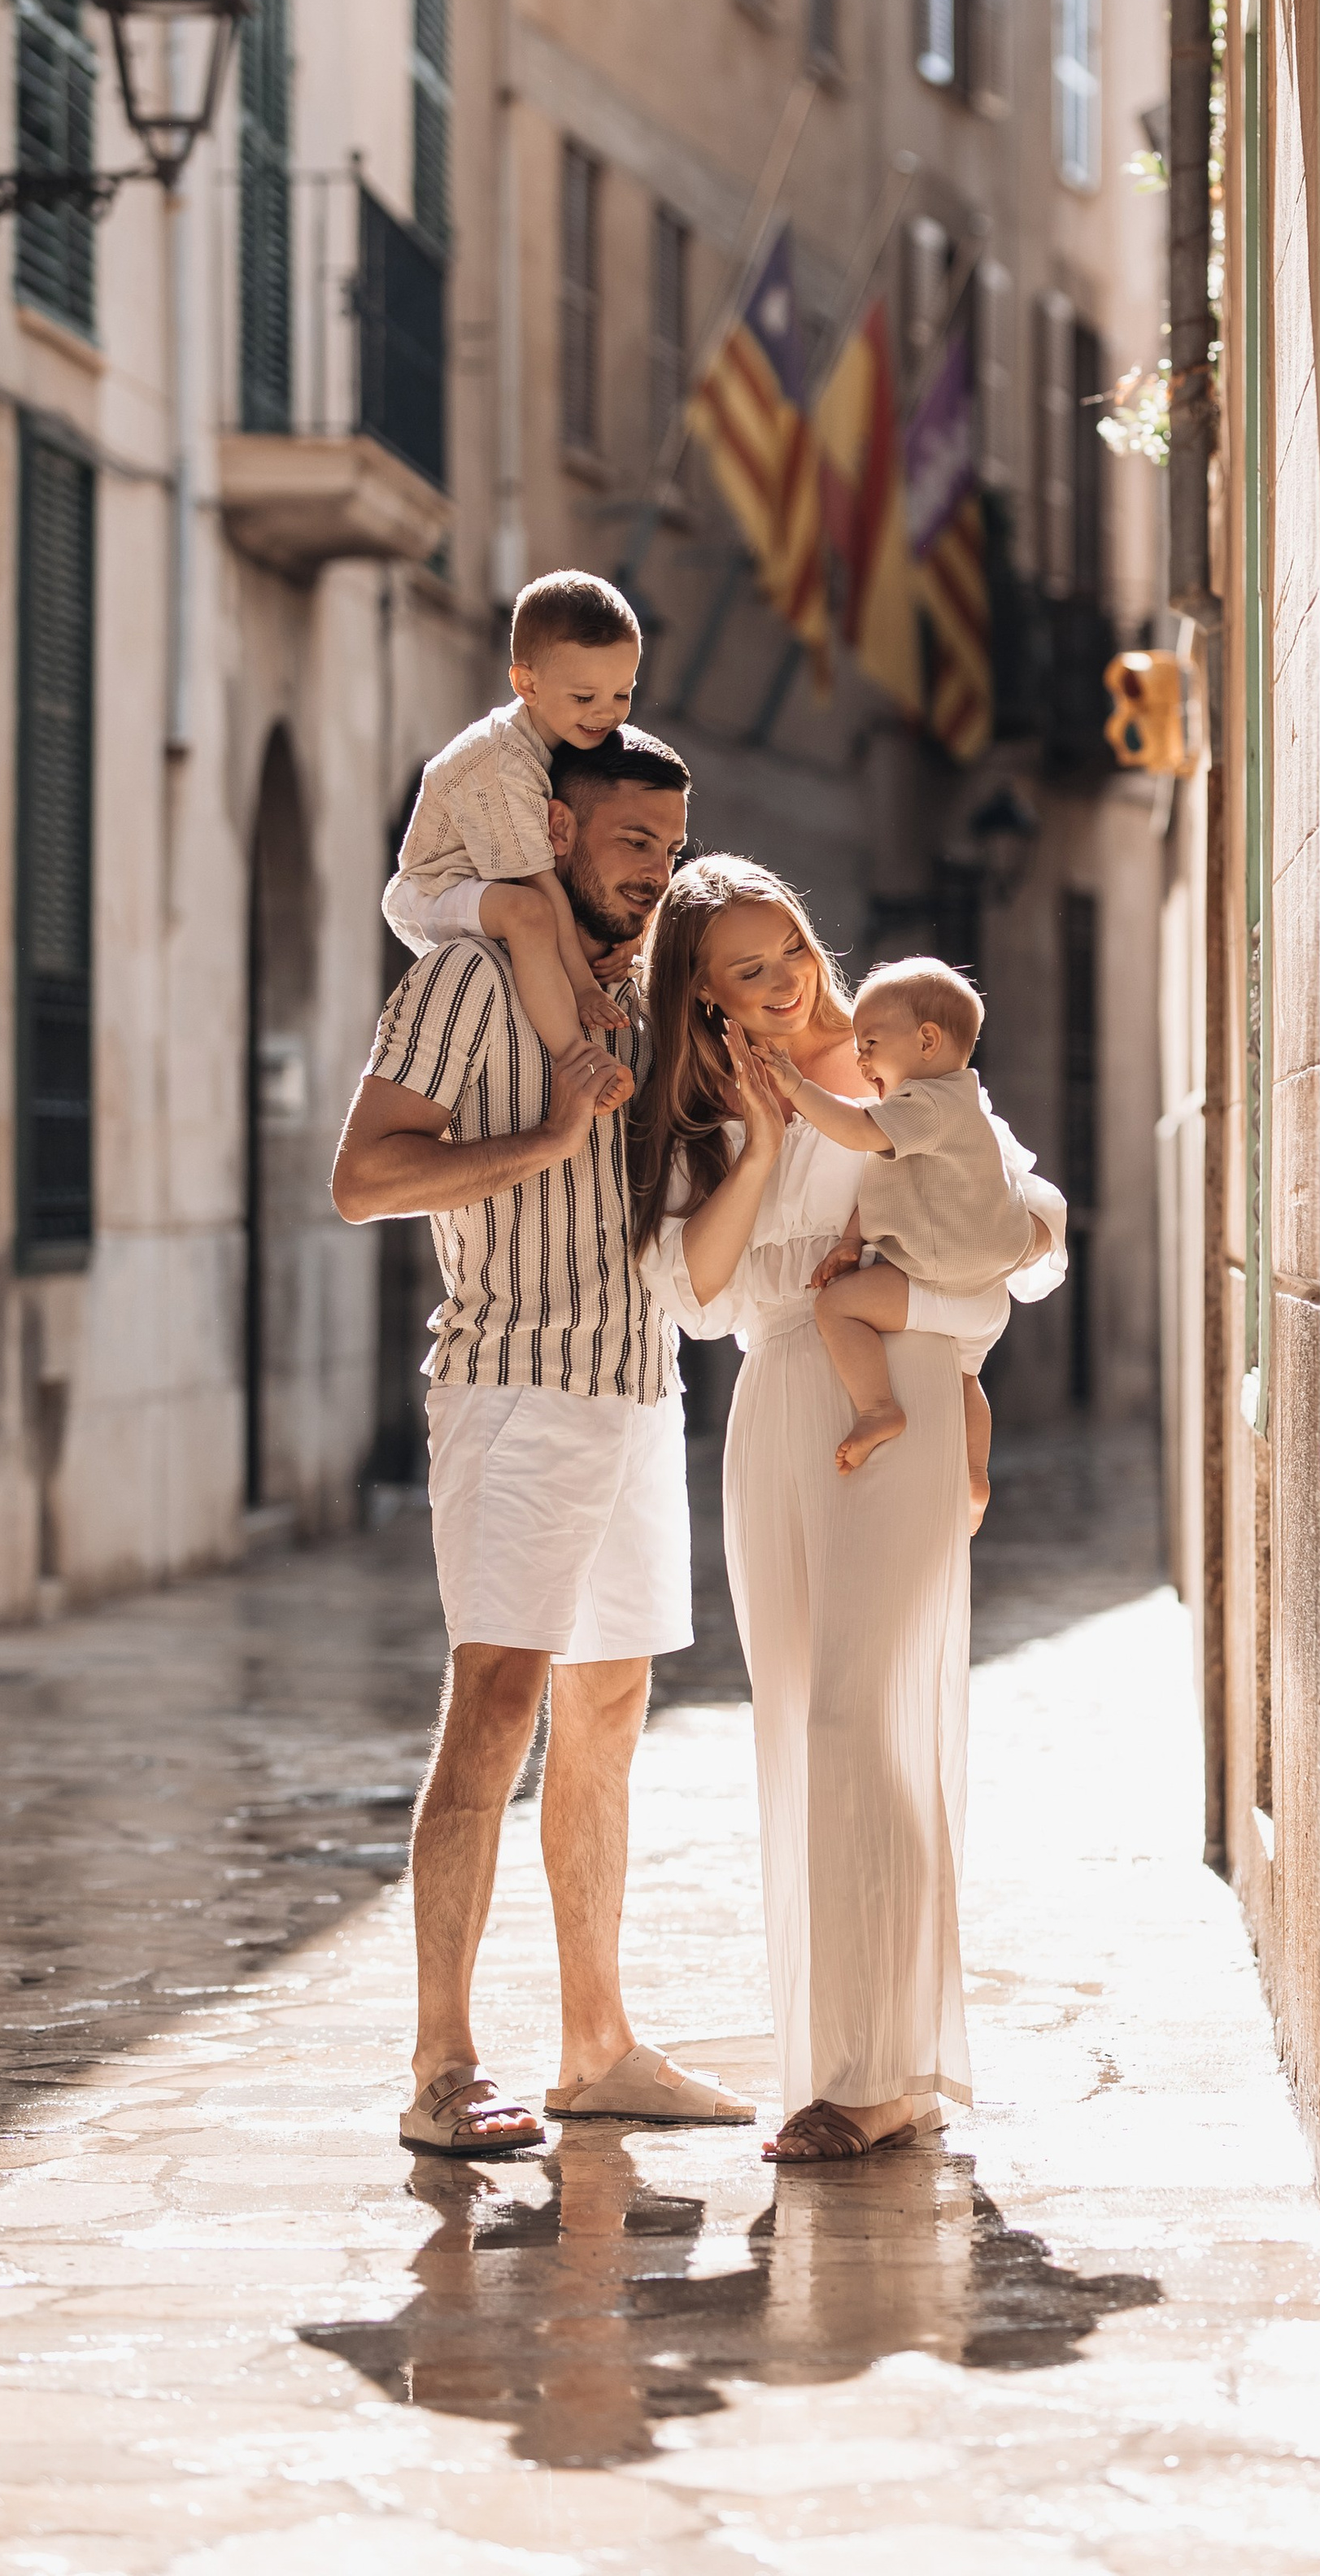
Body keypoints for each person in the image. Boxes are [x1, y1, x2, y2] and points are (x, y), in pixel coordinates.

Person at [332, 725, 753, 2159]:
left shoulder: (648, 1000)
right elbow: (363, 1176)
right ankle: (440, 2066)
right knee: (496, 1704)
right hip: (512, 1387)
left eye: (672, 850)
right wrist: (542, 1140)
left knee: (611, 1712)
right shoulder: (461, 981)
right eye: (635, 842)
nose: (657, 872)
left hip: (639, 1389)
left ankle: (595, 2045)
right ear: (560, 833)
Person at [629, 856, 1066, 2166]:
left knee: (862, 1712)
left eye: (790, 954)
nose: (783, 986)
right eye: (745, 974)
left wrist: (936, 1273)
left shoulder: (898, 1065)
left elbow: (1033, 1236)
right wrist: (766, 1147)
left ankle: (888, 2071)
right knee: (806, 1731)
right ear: (700, 997)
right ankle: (852, 2062)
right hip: (778, 1410)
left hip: (906, 1400)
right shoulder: (699, 1111)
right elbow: (694, 1295)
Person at [757, 956, 1047, 1531]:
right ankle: (973, 1473)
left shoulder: (926, 1104)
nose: (860, 1059)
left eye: (870, 1042)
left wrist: (795, 1084)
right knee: (965, 1379)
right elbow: (888, 1182)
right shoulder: (959, 1109)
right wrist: (849, 1241)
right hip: (986, 1299)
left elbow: (856, 1131)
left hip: (941, 1279)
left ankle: (878, 1408)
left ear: (927, 1040)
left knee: (835, 1306)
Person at [384, 568, 643, 1057]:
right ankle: (574, 1056)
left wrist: (634, 931)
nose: (606, 714)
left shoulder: (575, 735)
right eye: (585, 697)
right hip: (436, 887)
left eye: (623, 694)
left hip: (498, 880)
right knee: (529, 913)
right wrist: (585, 987)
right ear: (527, 684)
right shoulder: (502, 765)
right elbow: (540, 887)